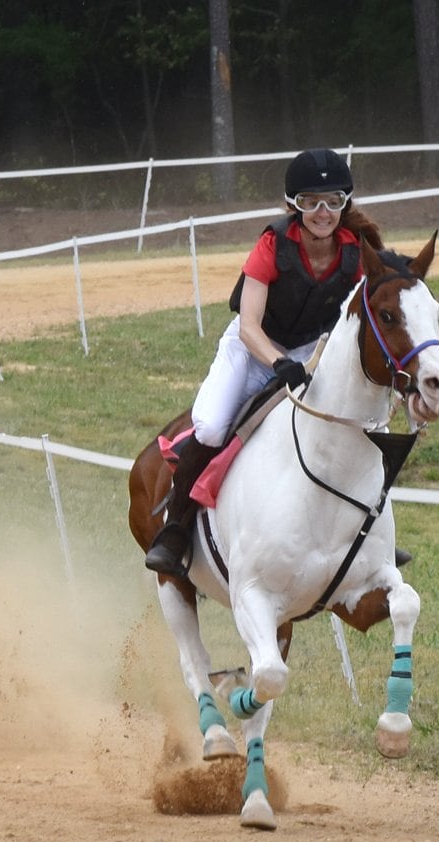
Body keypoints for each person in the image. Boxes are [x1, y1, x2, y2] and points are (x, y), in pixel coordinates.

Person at [143, 148, 388, 577]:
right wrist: (280, 363)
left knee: (362, 428)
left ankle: (368, 541)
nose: (323, 212)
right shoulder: (273, 245)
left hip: (310, 354)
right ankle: (177, 529)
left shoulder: (355, 253)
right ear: (293, 204)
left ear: (345, 203)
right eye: (311, 202)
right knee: (213, 426)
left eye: (333, 201)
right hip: (253, 349)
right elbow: (248, 326)